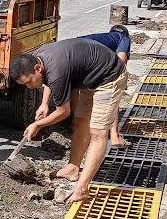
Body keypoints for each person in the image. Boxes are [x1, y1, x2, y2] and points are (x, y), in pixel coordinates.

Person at [10, 38, 127, 203]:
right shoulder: (36, 59)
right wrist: (44, 104)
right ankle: (72, 169)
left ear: (37, 68)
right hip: (90, 78)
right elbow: (49, 79)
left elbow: (63, 112)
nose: (29, 87)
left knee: (98, 132)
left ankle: (82, 188)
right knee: (81, 124)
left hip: (110, 76)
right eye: (25, 84)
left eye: (29, 82)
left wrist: (37, 124)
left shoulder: (56, 70)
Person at [38, 26, 131, 148]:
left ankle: (77, 125)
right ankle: (115, 137)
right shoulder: (123, 38)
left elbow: (53, 75)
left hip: (74, 58)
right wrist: (121, 80)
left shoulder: (100, 38)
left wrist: (44, 103)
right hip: (90, 64)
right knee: (112, 95)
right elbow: (121, 60)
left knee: (74, 89)